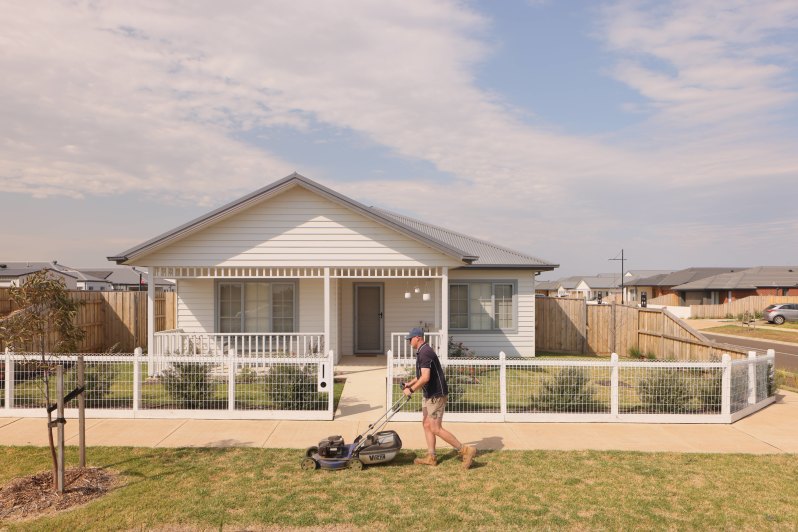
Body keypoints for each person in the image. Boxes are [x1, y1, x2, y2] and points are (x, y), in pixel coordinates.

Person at [402, 327, 477, 469]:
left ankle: (465, 450)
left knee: (435, 428)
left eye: (410, 339)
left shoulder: (425, 352)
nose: (409, 342)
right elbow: (421, 375)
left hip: (436, 395)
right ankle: (431, 457)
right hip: (428, 394)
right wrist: (409, 383)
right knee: (426, 424)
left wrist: (411, 390)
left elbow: (425, 378)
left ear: (418, 338)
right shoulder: (422, 351)